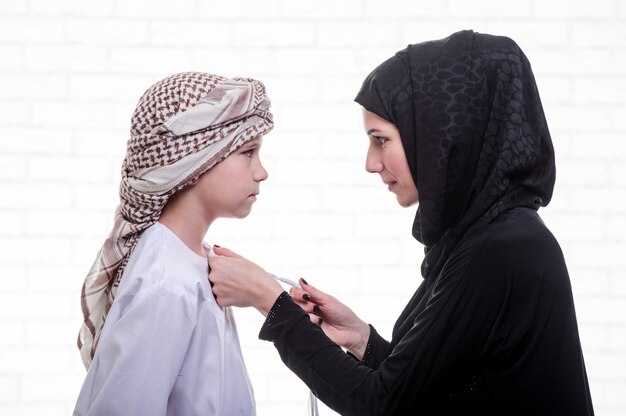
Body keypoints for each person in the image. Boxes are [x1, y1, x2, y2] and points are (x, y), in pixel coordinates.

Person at [208, 30, 594, 415]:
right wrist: (361, 339)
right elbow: (429, 389)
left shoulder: (502, 250)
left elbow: (384, 405)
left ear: (440, 136)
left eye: (381, 139)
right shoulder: (492, 236)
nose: (371, 163)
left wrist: (269, 302)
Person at [74, 72, 273, 415]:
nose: (262, 172)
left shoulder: (192, 261)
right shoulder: (166, 281)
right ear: (194, 161)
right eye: (248, 152)